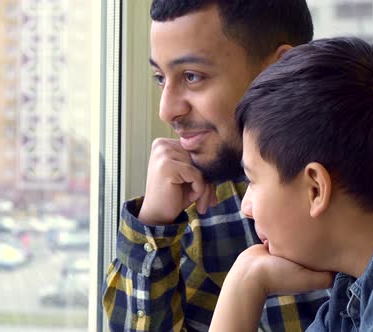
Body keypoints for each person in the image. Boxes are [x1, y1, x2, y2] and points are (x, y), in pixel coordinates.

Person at [102, 1, 330, 331]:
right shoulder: (197, 208)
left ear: (280, 68)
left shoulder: (367, 186)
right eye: (160, 78)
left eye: (192, 76)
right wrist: (153, 223)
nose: (167, 111)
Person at [210, 36, 373, 332]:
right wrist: (246, 280)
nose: (246, 207)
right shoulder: (352, 291)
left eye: (252, 180)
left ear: (315, 189)